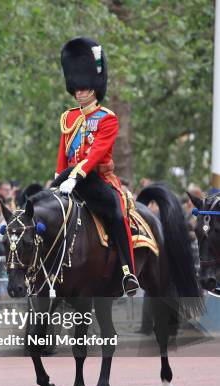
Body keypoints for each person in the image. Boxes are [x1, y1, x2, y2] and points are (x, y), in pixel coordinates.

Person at [52, 37, 139, 296]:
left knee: (115, 213)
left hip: (96, 179)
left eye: (83, 87)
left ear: (94, 87)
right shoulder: (68, 117)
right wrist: (58, 177)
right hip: (69, 177)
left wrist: (76, 175)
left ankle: (128, 272)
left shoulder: (107, 118)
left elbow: (97, 152)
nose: (79, 91)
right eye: (76, 87)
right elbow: (63, 150)